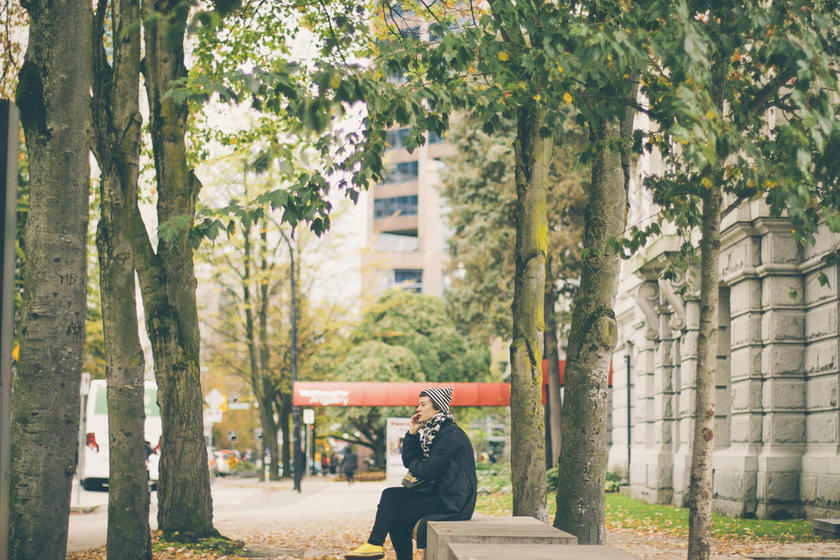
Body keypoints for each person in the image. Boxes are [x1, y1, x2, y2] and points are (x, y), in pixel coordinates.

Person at [345, 387, 477, 560]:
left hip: (453, 500)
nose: (418, 409)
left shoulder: (450, 434)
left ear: (437, 408)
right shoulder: (434, 432)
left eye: (423, 405)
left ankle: (376, 544)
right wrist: (413, 433)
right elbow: (411, 462)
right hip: (439, 493)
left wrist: (417, 465)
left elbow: (427, 470)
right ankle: (375, 544)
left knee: (396, 512)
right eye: (418, 405)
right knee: (390, 495)